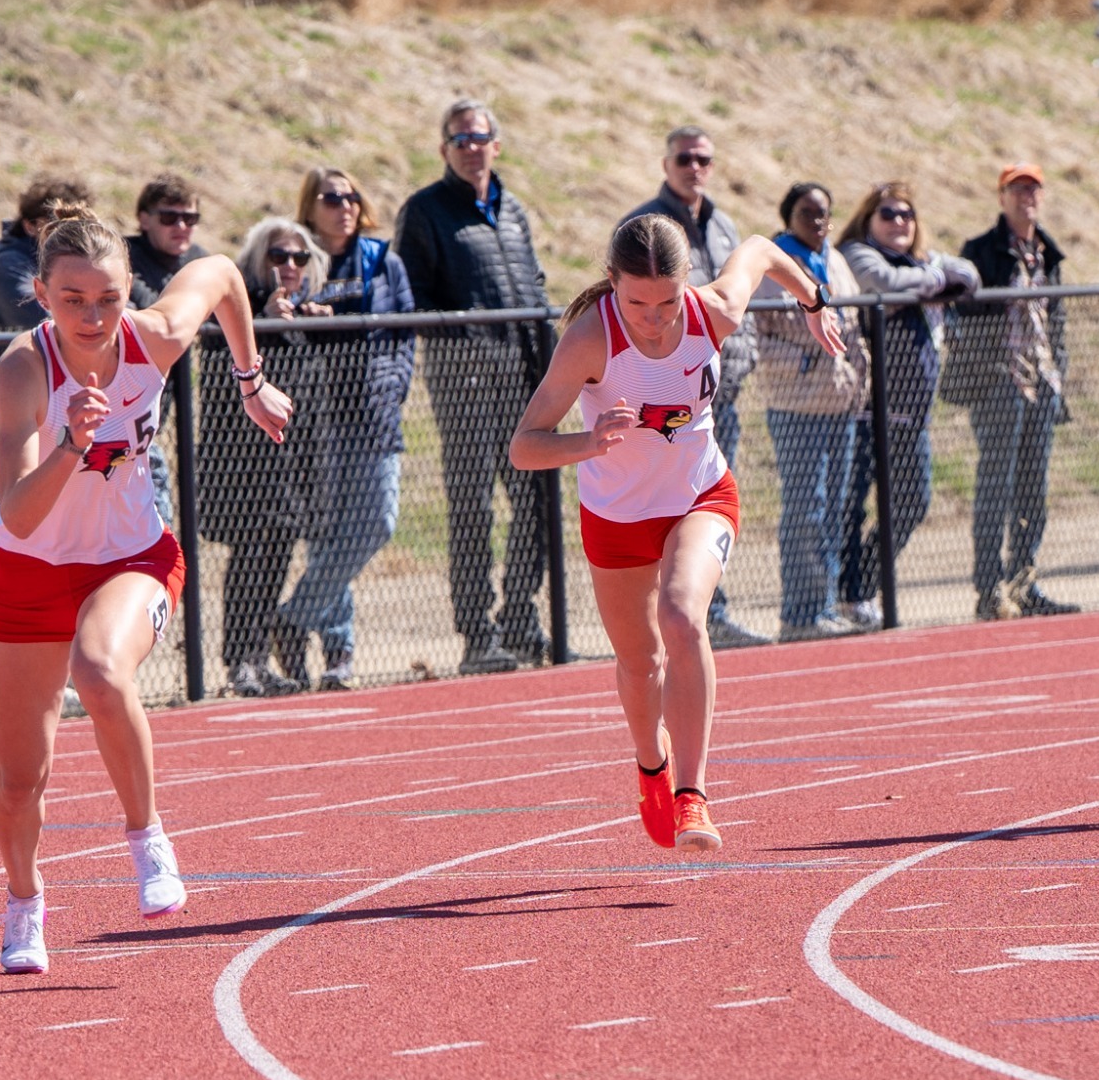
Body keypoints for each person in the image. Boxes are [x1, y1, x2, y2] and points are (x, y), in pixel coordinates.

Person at [0, 203, 293, 974]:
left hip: (131, 555)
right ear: (42, 295)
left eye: (109, 297)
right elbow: (18, 515)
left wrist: (249, 380)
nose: (93, 316)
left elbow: (221, 274)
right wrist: (69, 447)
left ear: (130, 290)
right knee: (19, 782)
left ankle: (147, 834)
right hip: (30, 569)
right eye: (74, 299)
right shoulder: (24, 370)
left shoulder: (151, 339)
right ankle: (24, 899)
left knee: (100, 668)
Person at [509, 215, 840, 854]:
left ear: (686, 285)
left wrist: (814, 300)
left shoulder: (712, 311)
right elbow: (525, 447)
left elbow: (762, 250)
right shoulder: (590, 338)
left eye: (665, 303)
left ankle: (693, 795)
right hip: (617, 516)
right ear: (612, 284)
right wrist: (588, 441)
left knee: (683, 616)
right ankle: (651, 765)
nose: (654, 319)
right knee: (641, 663)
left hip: (699, 495)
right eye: (637, 302)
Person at [395, 99, 551, 674]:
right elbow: (411, 296)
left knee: (538, 500)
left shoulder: (512, 210)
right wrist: (467, 333)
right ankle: (477, 634)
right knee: (472, 508)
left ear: (496, 144)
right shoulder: (425, 211)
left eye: (480, 138)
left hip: (525, 377)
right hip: (464, 379)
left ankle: (520, 617)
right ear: (445, 150)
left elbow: (531, 283)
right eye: (460, 140)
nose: (471, 148)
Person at [623, 127, 769, 650]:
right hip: (660, 404)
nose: (694, 166)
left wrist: (742, 358)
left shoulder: (723, 223)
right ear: (666, 163)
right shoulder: (645, 228)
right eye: (684, 157)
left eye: (703, 158)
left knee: (706, 507)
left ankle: (706, 611)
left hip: (715, 393)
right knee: (663, 512)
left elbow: (734, 297)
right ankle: (664, 622)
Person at [277, 165, 416, 690]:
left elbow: (404, 333)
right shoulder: (294, 258)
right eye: (331, 197)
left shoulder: (384, 262)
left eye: (351, 196)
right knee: (330, 536)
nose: (345, 206)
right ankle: (337, 654)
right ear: (310, 205)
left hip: (374, 414)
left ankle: (293, 619)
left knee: (377, 522)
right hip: (317, 416)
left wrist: (394, 386)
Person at [0, 176, 97, 624]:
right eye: (61, 224)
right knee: (1, 544)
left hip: (47, 420)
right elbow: (47, 320)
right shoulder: (8, 266)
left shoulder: (79, 274)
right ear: (34, 226)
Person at [835, 182, 978, 626]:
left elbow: (970, 275)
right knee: (850, 506)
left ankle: (864, 586)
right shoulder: (856, 252)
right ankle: (845, 595)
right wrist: (933, 281)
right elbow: (882, 282)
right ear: (868, 219)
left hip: (912, 413)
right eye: (888, 213)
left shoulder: (923, 259)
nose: (900, 221)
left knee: (913, 501)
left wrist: (926, 276)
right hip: (863, 409)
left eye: (907, 214)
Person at [198, 218, 328, 696]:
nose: (289, 266)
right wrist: (265, 320)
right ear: (258, 262)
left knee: (277, 557)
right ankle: (240, 661)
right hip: (244, 465)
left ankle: (258, 659)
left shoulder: (305, 311)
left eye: (298, 258)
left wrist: (309, 325)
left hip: (293, 462)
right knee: (251, 556)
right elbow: (220, 364)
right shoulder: (239, 309)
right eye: (279, 256)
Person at [957, 164, 1078, 620]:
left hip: (1042, 382)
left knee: (1034, 489)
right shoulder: (983, 250)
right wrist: (988, 368)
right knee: (996, 485)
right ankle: (989, 589)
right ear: (1002, 196)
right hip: (1000, 383)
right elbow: (964, 313)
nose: (1026, 195)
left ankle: (1024, 582)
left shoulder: (1049, 252)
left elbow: (1056, 319)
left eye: (1033, 188)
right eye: (1017, 188)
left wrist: (1058, 370)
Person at [754, 183, 870, 639]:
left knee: (836, 506)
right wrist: (804, 361)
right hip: (795, 403)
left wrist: (858, 372)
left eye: (824, 213)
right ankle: (799, 614)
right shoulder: (773, 263)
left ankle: (823, 605)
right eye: (807, 213)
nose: (817, 221)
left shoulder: (836, 260)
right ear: (788, 217)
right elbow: (758, 335)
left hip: (840, 401)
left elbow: (855, 321)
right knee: (806, 506)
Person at [125, 174, 211, 527]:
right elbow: (154, 314)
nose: (181, 227)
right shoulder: (124, 255)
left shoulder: (197, 260)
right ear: (144, 219)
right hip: (122, 410)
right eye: (169, 218)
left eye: (189, 219)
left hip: (162, 410)